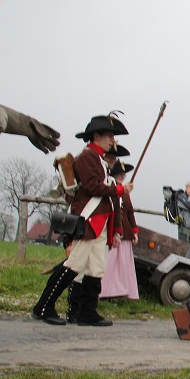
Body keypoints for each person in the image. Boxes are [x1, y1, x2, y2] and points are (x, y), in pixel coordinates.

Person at [32, 112, 131, 326]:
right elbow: (92, 186)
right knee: (74, 264)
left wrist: (115, 228)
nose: (112, 140)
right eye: (109, 136)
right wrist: (119, 188)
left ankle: (87, 313)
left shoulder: (99, 160)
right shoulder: (87, 157)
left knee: (96, 268)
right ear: (97, 136)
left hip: (101, 221)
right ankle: (43, 306)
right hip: (89, 219)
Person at [99, 160, 140, 300]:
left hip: (125, 231)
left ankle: (121, 291)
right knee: (109, 263)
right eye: (119, 174)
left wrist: (134, 231)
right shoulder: (110, 188)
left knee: (123, 265)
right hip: (111, 231)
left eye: (123, 174)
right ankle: (104, 291)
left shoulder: (125, 192)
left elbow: (130, 213)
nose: (122, 176)